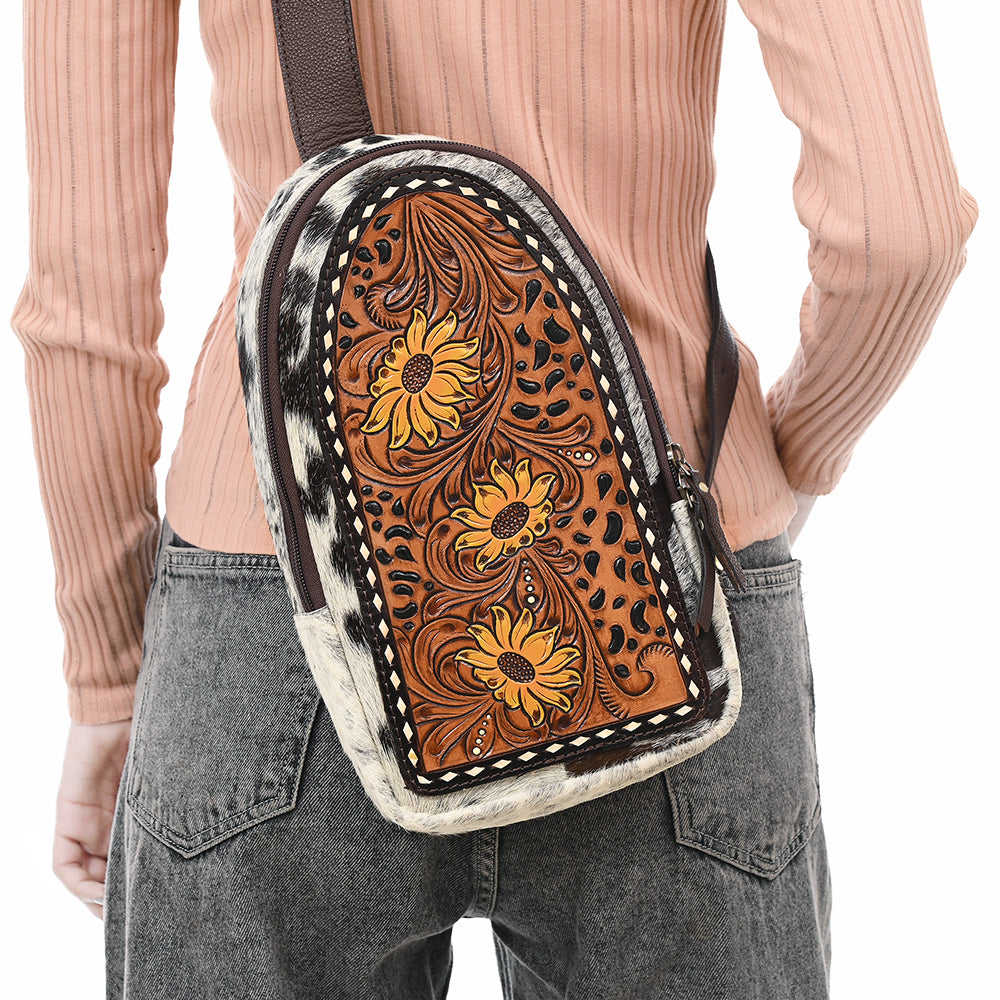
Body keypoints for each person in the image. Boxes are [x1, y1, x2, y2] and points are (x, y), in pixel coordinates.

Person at [11, 1, 976, 997]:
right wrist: (779, 464)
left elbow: (84, 305)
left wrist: (107, 677)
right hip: (663, 586)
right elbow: (899, 229)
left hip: (283, 584)